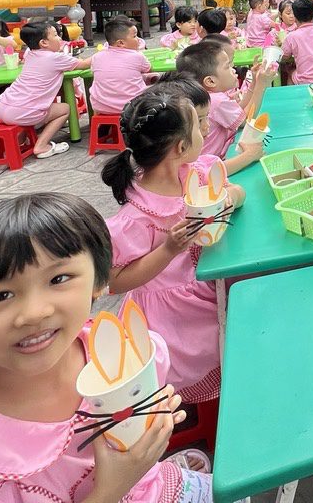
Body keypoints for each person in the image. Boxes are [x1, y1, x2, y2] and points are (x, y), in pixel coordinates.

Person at [0, 193, 205, 503]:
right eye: (0, 296)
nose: (34, 313)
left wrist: (149, 434)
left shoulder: (114, 350)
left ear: (98, 282)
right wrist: (111, 490)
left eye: (59, 278)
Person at [102, 90, 244, 405]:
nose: (206, 130)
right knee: (231, 330)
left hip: (209, 274)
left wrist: (227, 200)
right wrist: (168, 249)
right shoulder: (136, 217)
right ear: (181, 147)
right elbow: (114, 281)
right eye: (199, 126)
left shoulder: (195, 173)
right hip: (174, 310)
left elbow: (237, 191)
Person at [0, 20, 87, 158]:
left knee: (27, 108)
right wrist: (105, 53)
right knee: (65, 109)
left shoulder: (30, 54)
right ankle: (42, 145)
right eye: (55, 35)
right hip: (23, 112)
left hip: (1, 107)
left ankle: (16, 145)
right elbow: (84, 64)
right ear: (44, 42)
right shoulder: (55, 58)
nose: (59, 38)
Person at [174, 39, 272, 162]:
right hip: (213, 162)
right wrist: (262, 85)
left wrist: (254, 82)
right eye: (228, 66)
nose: (233, 69)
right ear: (210, 81)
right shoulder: (216, 100)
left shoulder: (211, 95)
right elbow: (245, 120)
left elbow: (238, 112)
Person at [90, 16, 153, 116]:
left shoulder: (96, 57)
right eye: (135, 36)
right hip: (132, 106)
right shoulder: (137, 56)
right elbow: (148, 68)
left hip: (102, 108)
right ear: (121, 43)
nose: (138, 40)